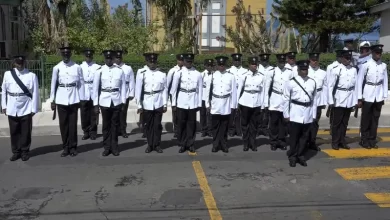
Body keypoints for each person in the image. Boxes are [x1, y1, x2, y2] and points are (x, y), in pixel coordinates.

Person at [1, 55, 39, 161]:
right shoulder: (8, 74)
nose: (19, 65)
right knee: (14, 131)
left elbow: (35, 93)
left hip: (26, 106)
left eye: (21, 63)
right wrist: (4, 105)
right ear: (14, 63)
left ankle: (25, 151)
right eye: (17, 63)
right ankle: (16, 152)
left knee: (25, 131)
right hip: (12, 106)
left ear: (24, 63)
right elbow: (4, 90)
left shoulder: (31, 75)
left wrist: (34, 109)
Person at [50, 46, 85, 157]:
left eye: (67, 54)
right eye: (64, 54)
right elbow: (53, 84)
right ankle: (65, 147)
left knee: (73, 124)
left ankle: (73, 147)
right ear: (61, 54)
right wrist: (52, 100)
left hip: (74, 98)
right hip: (61, 98)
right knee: (63, 125)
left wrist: (82, 98)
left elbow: (81, 84)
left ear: (70, 54)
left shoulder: (77, 67)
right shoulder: (57, 68)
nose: (66, 56)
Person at [283, 60, 317, 167]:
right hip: (295, 112)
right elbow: (285, 99)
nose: (304, 71)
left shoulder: (312, 82)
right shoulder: (291, 82)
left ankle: (301, 155)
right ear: (298, 70)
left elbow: (314, 100)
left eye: (306, 69)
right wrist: (286, 114)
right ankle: (293, 156)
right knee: (294, 137)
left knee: (304, 137)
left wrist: (314, 115)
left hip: (307, 113)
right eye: (302, 69)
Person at [92, 50, 126, 156]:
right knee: (106, 126)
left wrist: (123, 102)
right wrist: (96, 104)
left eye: (110, 58)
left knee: (115, 125)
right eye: (107, 58)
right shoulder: (100, 71)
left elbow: (123, 87)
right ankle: (107, 147)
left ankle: (115, 147)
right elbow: (95, 89)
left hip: (116, 101)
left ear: (113, 59)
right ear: (104, 59)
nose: (108, 60)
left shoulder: (119, 71)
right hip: (104, 100)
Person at [135, 53, 168, 153]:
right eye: (150, 61)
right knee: (148, 125)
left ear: (156, 62)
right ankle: (150, 144)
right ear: (147, 62)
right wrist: (139, 105)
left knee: (157, 125)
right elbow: (138, 90)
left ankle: (157, 144)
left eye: (154, 61)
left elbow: (164, 90)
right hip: (147, 103)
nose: (152, 63)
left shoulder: (162, 74)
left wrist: (165, 104)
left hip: (158, 103)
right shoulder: (142, 73)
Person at [357, 44, 388, 149]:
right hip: (368, 94)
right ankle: (364, 140)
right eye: (377, 53)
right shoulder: (366, 64)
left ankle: (372, 140)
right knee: (366, 119)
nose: (379, 55)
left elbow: (385, 81)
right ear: (373, 53)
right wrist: (359, 97)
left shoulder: (383, 65)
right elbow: (359, 81)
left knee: (375, 119)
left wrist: (384, 95)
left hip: (378, 95)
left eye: (380, 53)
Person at [170, 53, 202, 153]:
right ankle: (183, 144)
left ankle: (191, 144)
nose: (189, 63)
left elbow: (200, 90)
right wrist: (174, 103)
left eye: (190, 61)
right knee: (182, 124)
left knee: (191, 124)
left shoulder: (197, 73)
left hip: (192, 101)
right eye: (187, 61)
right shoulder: (178, 73)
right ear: (184, 62)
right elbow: (173, 89)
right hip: (181, 101)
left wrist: (199, 104)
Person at [328, 50, 359, 150]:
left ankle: (342, 141)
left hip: (349, 99)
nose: (348, 60)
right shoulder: (336, 69)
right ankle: (335, 142)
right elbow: (330, 86)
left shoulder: (353, 70)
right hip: (339, 98)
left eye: (349, 58)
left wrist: (355, 100)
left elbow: (356, 86)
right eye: (346, 58)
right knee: (336, 122)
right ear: (341, 58)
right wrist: (331, 100)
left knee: (345, 122)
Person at [205, 56, 237, 153]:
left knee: (224, 126)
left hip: (226, 104)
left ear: (225, 65)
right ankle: (215, 145)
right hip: (215, 104)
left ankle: (224, 144)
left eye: (223, 65)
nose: (221, 66)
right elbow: (207, 92)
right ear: (217, 65)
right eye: (220, 65)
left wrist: (233, 106)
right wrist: (207, 104)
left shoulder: (231, 76)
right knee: (215, 126)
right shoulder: (212, 76)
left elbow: (233, 92)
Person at [265, 54, 294, 151]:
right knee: (273, 122)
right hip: (274, 99)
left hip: (285, 100)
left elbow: (292, 86)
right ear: (277, 62)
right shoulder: (271, 72)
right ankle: (273, 141)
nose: (282, 63)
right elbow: (267, 88)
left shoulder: (289, 72)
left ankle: (282, 141)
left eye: (283, 62)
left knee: (283, 123)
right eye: (280, 62)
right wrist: (266, 102)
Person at [238, 56, 266, 152]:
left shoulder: (261, 76)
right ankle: (245, 143)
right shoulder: (244, 75)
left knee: (254, 125)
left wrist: (263, 105)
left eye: (256, 64)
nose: (254, 66)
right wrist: (237, 103)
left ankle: (253, 143)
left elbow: (263, 91)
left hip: (256, 102)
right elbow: (239, 90)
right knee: (245, 124)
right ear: (249, 65)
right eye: (253, 64)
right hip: (245, 102)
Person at [307, 52, 328, 151]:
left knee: (315, 123)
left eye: (316, 60)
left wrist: (324, 101)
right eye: (312, 60)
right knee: (306, 122)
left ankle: (312, 141)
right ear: (309, 60)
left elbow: (325, 88)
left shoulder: (323, 73)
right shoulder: (305, 71)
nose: (314, 62)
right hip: (307, 100)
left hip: (318, 100)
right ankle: (304, 141)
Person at [80, 49, 101, 140]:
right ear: (85, 57)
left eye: (90, 56)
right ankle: (86, 131)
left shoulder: (97, 67)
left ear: (92, 56)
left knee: (93, 113)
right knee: (84, 113)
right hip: (84, 91)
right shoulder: (80, 66)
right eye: (87, 56)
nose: (88, 58)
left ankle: (93, 132)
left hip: (93, 91)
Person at [115, 50, 135, 138]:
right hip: (115, 94)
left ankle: (123, 130)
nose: (118, 60)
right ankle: (115, 130)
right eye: (116, 58)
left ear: (122, 58)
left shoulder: (128, 68)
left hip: (125, 93)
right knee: (115, 113)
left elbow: (131, 81)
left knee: (123, 113)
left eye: (119, 58)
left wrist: (131, 93)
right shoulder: (112, 68)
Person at [228, 53, 247, 137]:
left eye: (238, 60)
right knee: (231, 112)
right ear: (232, 61)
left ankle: (239, 129)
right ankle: (231, 129)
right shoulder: (228, 71)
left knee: (240, 113)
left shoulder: (245, 71)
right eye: (235, 60)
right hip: (231, 94)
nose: (237, 62)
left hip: (242, 94)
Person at [326, 50, 343, 133]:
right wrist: (329, 96)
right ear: (337, 57)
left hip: (343, 93)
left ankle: (339, 129)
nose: (340, 58)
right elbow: (328, 82)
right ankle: (332, 128)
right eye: (339, 57)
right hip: (334, 92)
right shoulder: (331, 67)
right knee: (333, 112)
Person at [167, 54, 184, 138]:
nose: (181, 62)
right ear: (177, 61)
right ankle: (176, 130)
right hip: (175, 94)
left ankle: (182, 130)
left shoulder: (186, 70)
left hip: (183, 95)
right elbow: (168, 84)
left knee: (183, 113)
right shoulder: (172, 71)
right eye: (179, 60)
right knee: (176, 113)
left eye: (182, 60)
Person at [257, 53, 274, 136]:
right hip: (259, 94)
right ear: (260, 60)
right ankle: (258, 128)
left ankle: (264, 128)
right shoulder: (257, 69)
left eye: (266, 60)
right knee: (258, 113)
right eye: (263, 60)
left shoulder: (272, 69)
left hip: (268, 94)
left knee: (266, 113)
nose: (265, 62)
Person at [200, 59, 214, 137]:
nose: (209, 67)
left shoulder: (214, 75)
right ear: (205, 66)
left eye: (211, 65)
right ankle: (203, 130)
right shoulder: (201, 75)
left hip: (210, 98)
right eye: (208, 65)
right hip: (203, 97)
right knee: (203, 114)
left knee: (210, 114)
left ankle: (210, 130)